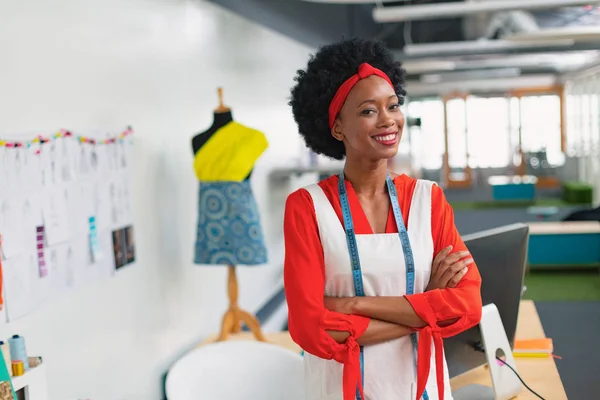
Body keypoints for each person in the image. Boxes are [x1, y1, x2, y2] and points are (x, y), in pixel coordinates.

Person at [283, 38, 482, 400]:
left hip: (423, 388)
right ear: (338, 127)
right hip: (339, 389)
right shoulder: (307, 207)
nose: (388, 119)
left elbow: (466, 306)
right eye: (368, 111)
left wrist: (352, 305)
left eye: (392, 106)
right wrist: (426, 305)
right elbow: (311, 329)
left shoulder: (429, 199)